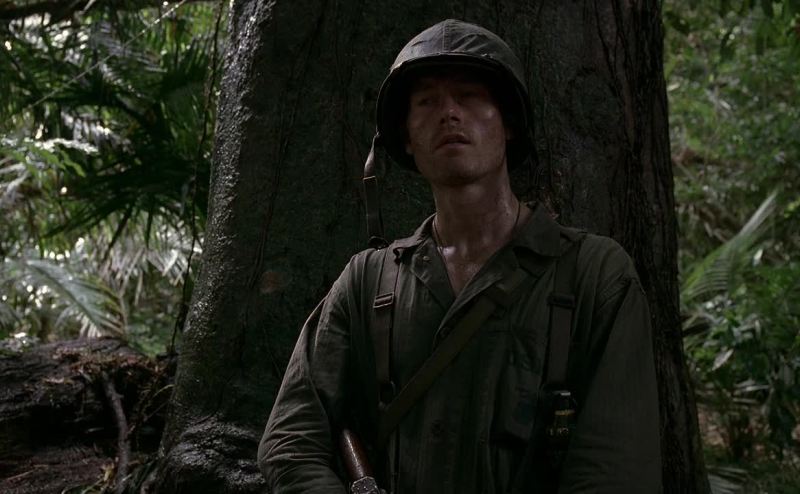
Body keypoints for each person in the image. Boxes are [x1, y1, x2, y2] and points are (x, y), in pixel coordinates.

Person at [258, 19, 661, 493]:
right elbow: (290, 439)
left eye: (469, 96)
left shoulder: (594, 275)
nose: (449, 113)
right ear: (406, 137)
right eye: (427, 102)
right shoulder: (368, 282)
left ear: (508, 123)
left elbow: (614, 470)